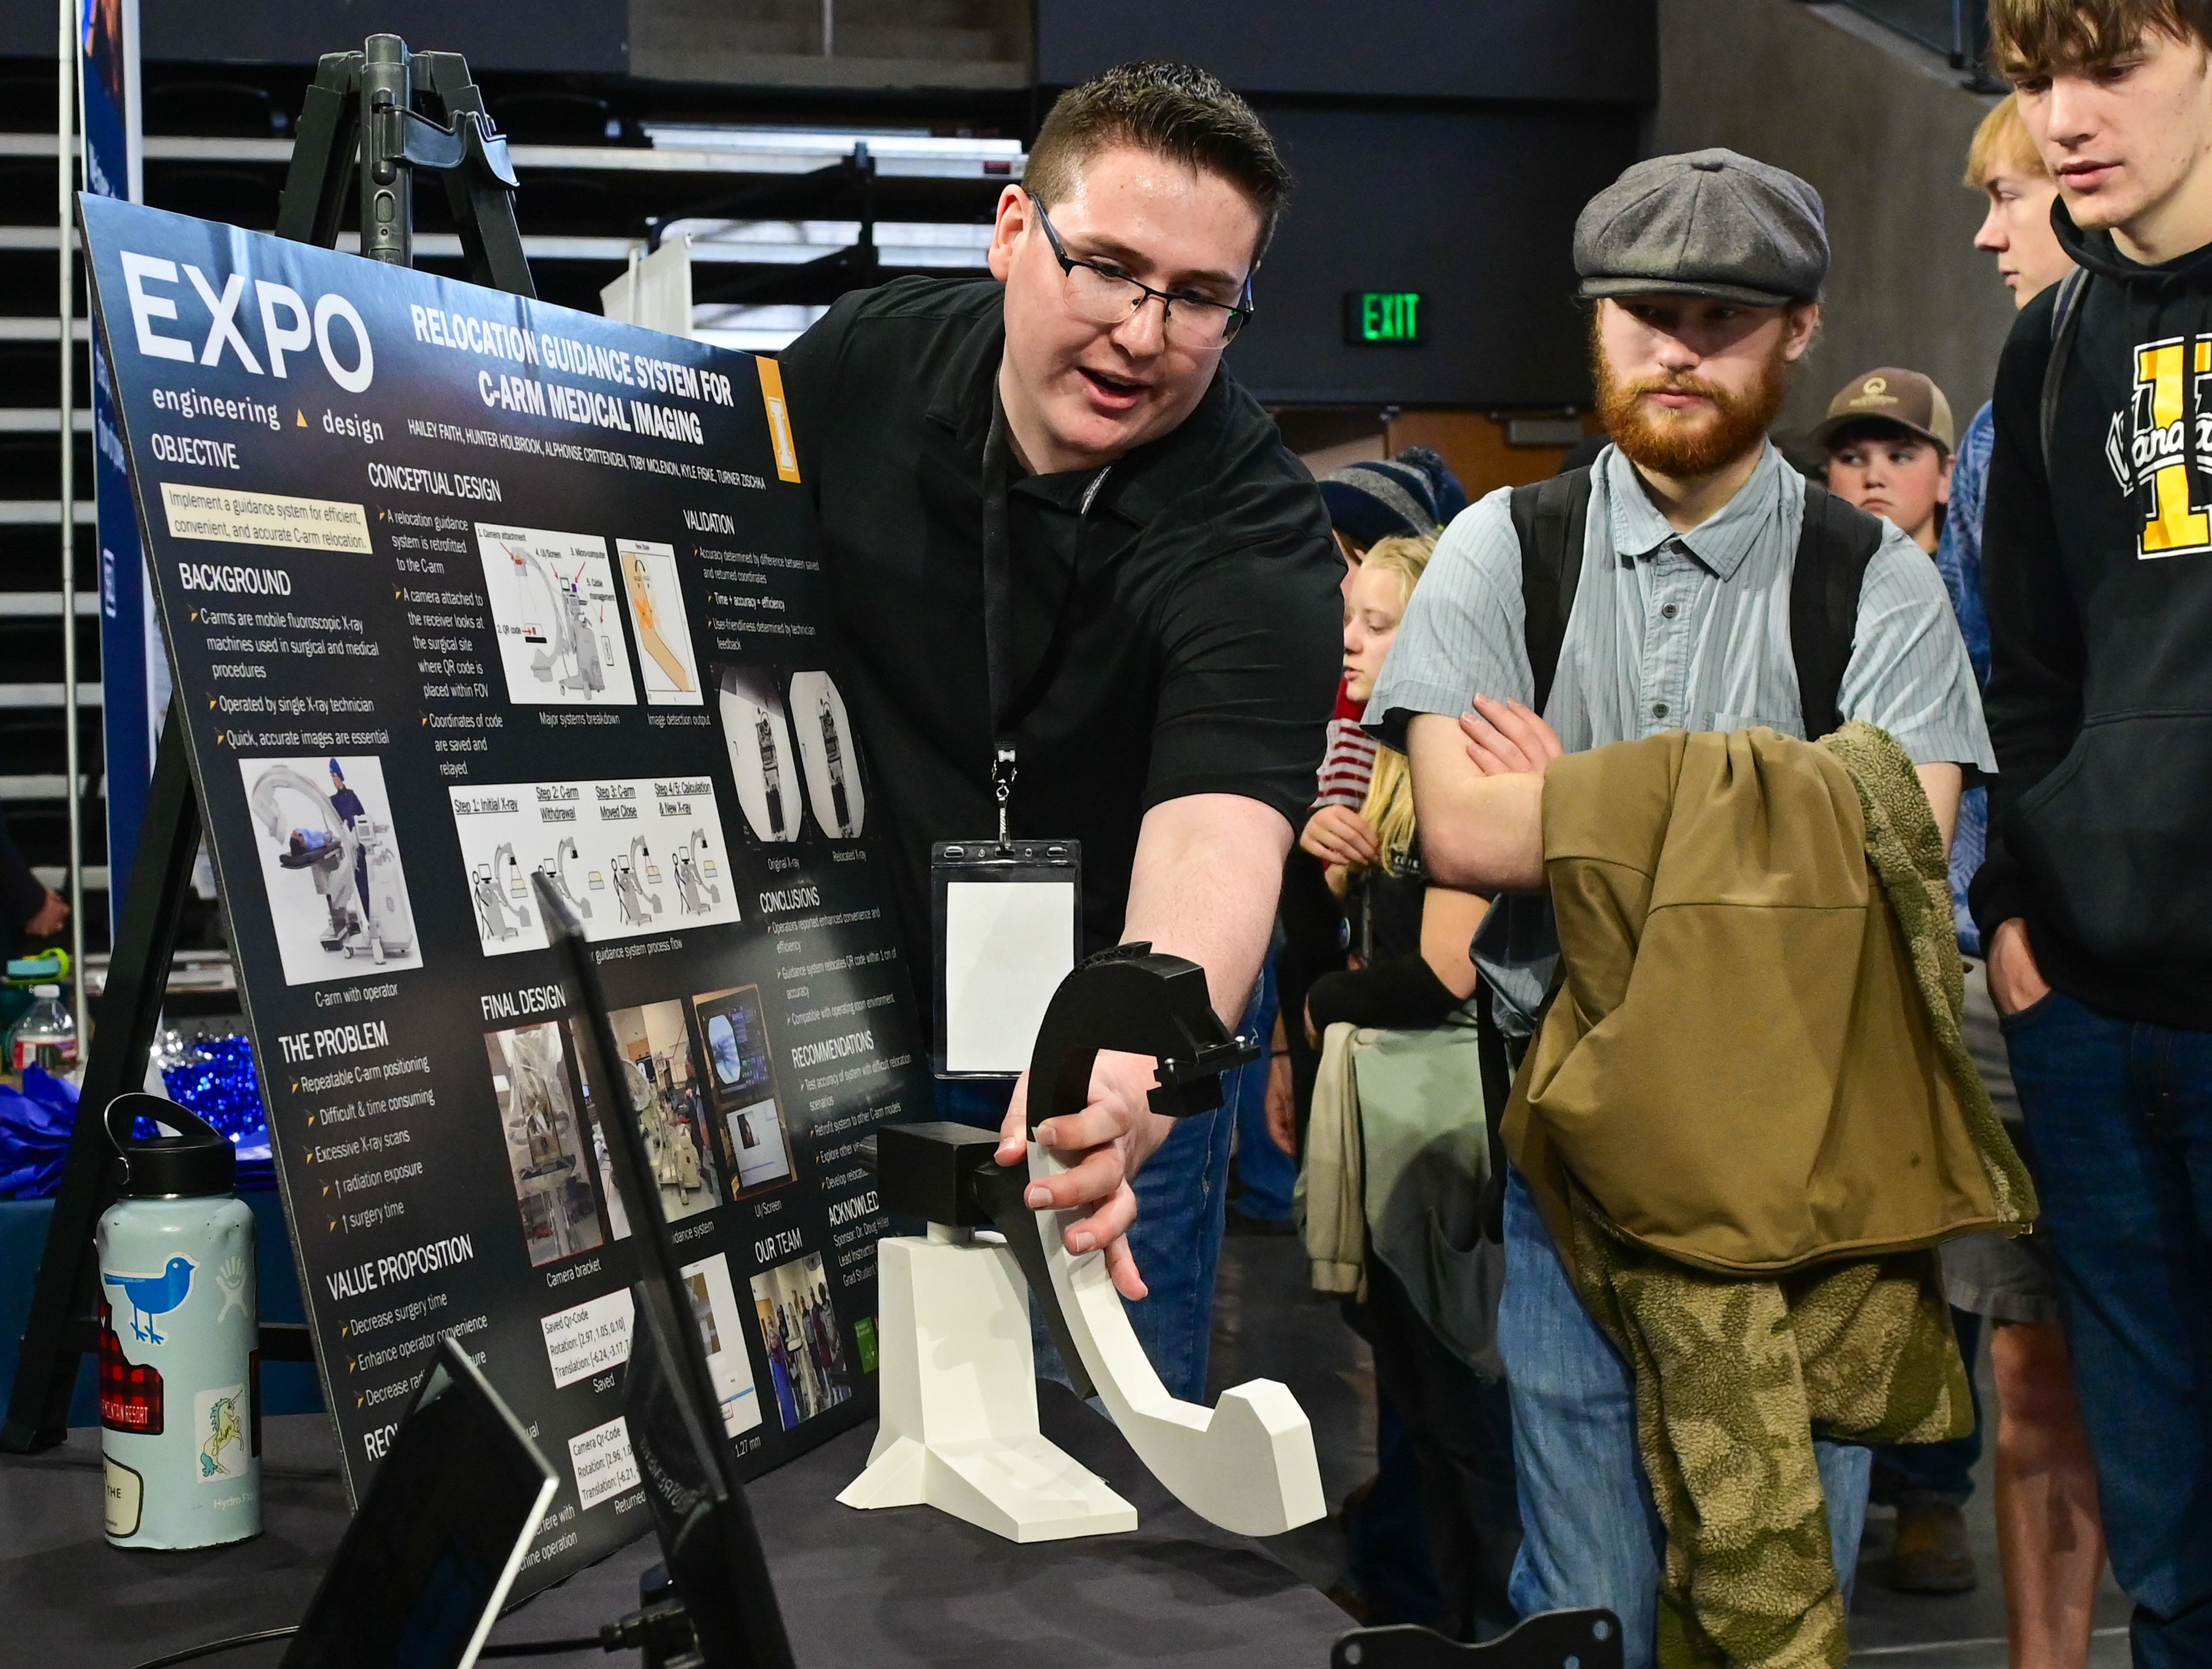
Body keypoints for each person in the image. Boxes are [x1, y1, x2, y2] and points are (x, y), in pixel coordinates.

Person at [1366, 148, 1991, 1669]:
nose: (1679, 346)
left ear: (1799, 329)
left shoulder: (1871, 582)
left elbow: (1903, 837)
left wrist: (1582, 800)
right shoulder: (1500, 554)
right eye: (1647, 311)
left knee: (1783, 1607)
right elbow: (1459, 828)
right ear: (1595, 325)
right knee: (1584, 1614)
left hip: (1815, 1191)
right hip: (1566, 1158)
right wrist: (1768, 811)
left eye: (1726, 314)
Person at [776, 60, 1342, 1402]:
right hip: (858, 998)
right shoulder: (862, 365)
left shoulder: (1254, 529)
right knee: (845, 1413)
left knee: (1096, 1437)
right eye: (1107, 268)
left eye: (1201, 297)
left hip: (1114, 1020)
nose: (1143, 334)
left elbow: (1219, 839)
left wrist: (1122, 1079)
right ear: (1017, 232)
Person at [1979, 5, 2212, 1664]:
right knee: (2167, 1542)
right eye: (2036, 80)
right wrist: (2018, 918)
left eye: (2109, 69)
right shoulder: (2054, 343)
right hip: (2089, 1014)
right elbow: (2031, 671)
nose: (2065, 117)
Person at [1302, 533, 1517, 1640]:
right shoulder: (1389, 762)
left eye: (1378, 622)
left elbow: (1443, 969)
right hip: (1404, 1123)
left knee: (1465, 1422)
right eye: (1353, 617)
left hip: (1448, 1128)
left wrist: (1321, 1011)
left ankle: (1489, 1633)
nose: (1353, 639)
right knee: (1429, 1419)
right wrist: (1330, 852)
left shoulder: (1459, 764)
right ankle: (1442, 1622)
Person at [1817, 366, 1993, 1594]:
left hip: (1959, 945)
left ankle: (1933, 1489)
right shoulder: (1811, 589)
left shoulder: (1977, 602)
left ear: (1943, 472)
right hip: (1827, 953)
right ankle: (1861, 1471)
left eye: (1898, 452)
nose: (1873, 474)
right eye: (1850, 454)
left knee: (1954, 1241)